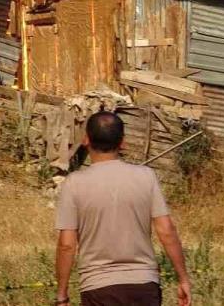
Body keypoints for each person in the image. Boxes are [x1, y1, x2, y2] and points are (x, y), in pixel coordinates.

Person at [55, 111, 192, 306]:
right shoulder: (146, 176)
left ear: (86, 140)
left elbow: (67, 245)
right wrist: (183, 279)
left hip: (98, 288)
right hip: (144, 286)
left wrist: (62, 295)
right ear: (123, 143)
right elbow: (166, 231)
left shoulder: (74, 183)